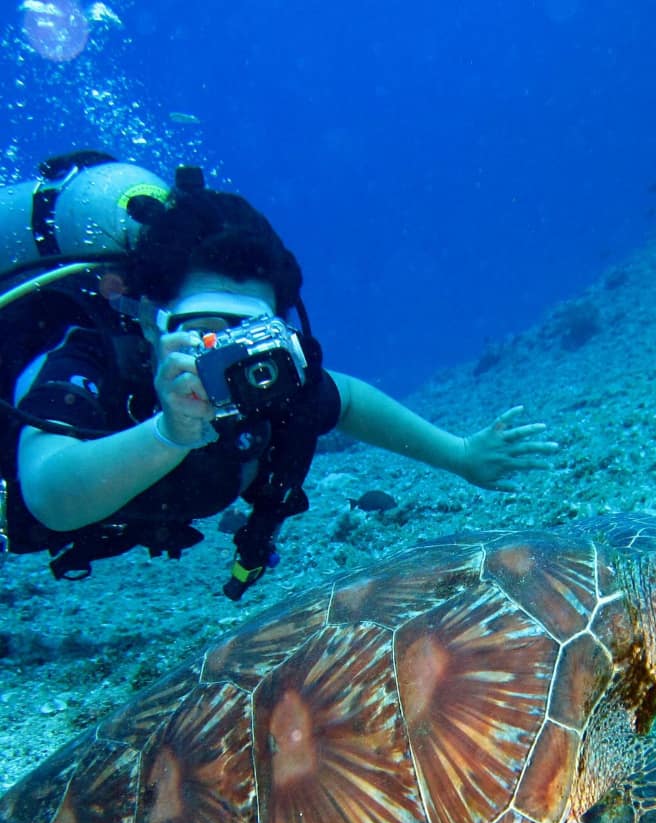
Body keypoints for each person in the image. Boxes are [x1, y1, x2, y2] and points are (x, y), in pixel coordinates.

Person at [8, 164, 556, 597]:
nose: (228, 357)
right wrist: (168, 434)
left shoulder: (268, 386)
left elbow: (349, 401)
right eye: (203, 332)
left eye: (251, 333)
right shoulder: (87, 358)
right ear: (151, 322)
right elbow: (51, 496)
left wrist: (460, 454)